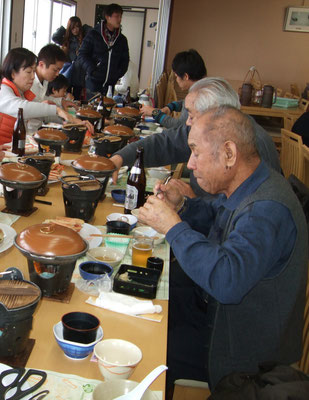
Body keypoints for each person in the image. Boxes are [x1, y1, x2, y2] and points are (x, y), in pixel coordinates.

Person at [139, 106, 307, 389]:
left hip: (240, 349)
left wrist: (173, 227)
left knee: (146, 343)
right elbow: (217, 216)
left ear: (229, 153)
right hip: (216, 315)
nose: (190, 164)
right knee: (148, 294)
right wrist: (182, 206)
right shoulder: (252, 184)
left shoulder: (266, 209)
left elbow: (227, 280)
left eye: (196, 152)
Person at [110, 77, 281, 198]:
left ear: (215, 113)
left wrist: (192, 202)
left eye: (191, 115)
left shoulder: (252, 145)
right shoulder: (213, 131)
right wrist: (120, 158)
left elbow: (229, 219)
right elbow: (166, 143)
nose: (187, 122)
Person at [0, 48, 92, 154]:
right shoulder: (3, 89)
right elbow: (22, 108)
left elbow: (42, 112)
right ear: (13, 73)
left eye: (34, 71)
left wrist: (72, 122)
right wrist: (58, 110)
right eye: (29, 72)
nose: (33, 77)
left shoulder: (22, 92)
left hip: (6, 151)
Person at [141, 49, 207, 129]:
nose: (176, 80)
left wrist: (154, 113)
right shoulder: (204, 88)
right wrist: (171, 107)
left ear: (186, 76)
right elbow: (184, 103)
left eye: (176, 76)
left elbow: (179, 127)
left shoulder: (197, 97)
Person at [76, 3, 129, 99]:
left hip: (110, 84)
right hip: (93, 82)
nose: (119, 19)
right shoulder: (93, 35)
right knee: (91, 112)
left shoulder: (122, 40)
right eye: (116, 16)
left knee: (106, 111)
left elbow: (125, 60)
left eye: (121, 16)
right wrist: (92, 70)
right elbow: (82, 54)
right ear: (107, 17)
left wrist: (117, 74)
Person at [52, 16, 91, 100]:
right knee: (66, 97)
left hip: (80, 75)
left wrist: (84, 27)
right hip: (68, 73)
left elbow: (92, 31)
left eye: (77, 27)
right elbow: (55, 37)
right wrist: (63, 29)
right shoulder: (67, 40)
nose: (75, 30)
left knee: (77, 98)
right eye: (73, 27)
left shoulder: (84, 39)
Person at [30, 44, 76, 111]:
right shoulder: (29, 82)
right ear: (41, 65)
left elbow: (42, 99)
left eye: (59, 70)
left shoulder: (45, 80)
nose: (57, 74)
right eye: (55, 70)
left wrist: (62, 102)